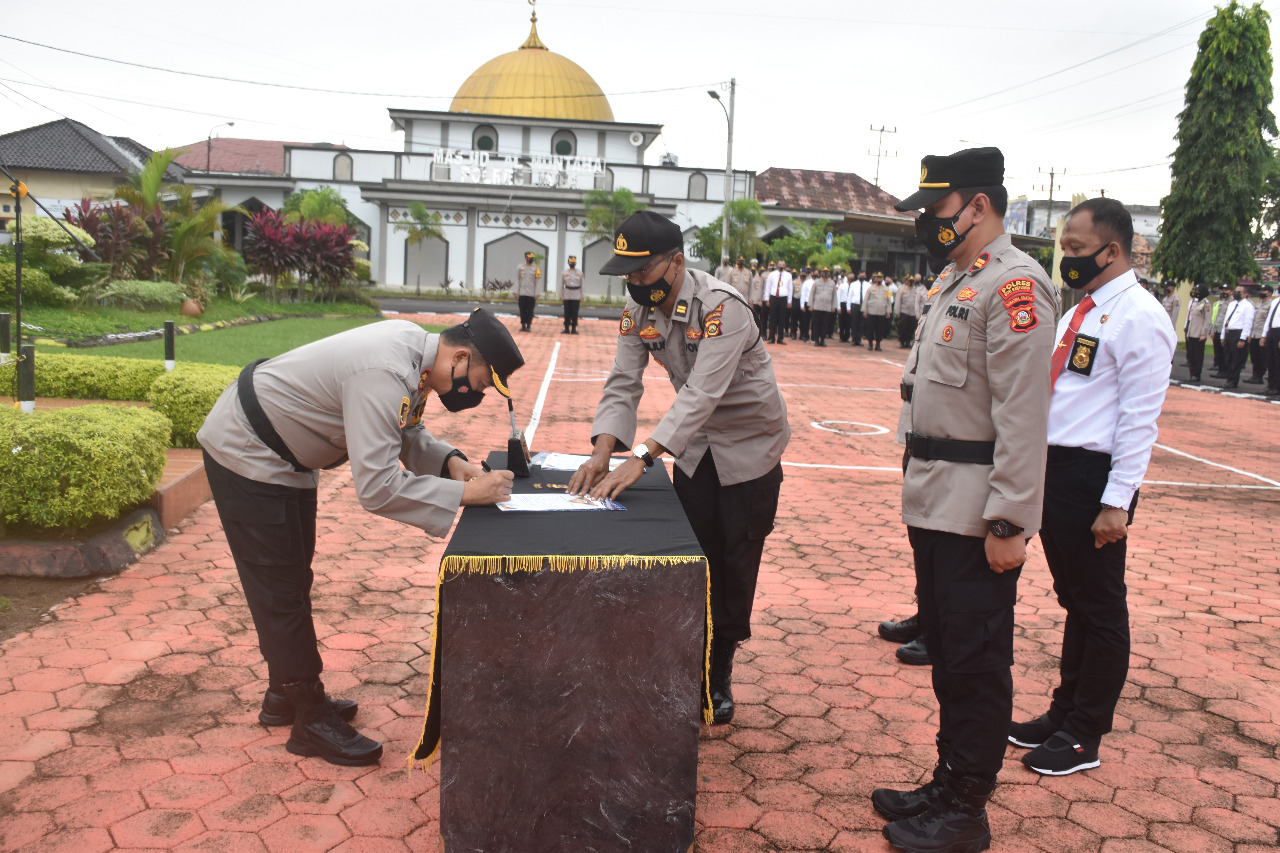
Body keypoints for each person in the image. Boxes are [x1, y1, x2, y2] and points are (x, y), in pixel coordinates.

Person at [197, 309, 523, 766]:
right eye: (483, 381)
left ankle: (283, 694)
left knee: (290, 579)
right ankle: (309, 719)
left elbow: (404, 430)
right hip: (248, 449)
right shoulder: (387, 370)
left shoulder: (418, 359)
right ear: (462, 357)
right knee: (279, 587)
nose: (480, 393)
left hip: (283, 456)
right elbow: (377, 486)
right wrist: (467, 493)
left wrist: (451, 462)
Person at [871, 147, 1058, 853]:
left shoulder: (1014, 285)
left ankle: (967, 809)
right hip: (936, 501)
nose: (927, 225)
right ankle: (948, 781)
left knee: (978, 662)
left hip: (978, 511)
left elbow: (1022, 412)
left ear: (977, 205)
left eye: (936, 210)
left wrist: (1011, 518)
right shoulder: (959, 280)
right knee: (949, 654)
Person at [568, 210, 790, 726]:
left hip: (749, 449)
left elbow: (702, 394)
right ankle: (685, 655)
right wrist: (603, 450)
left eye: (641, 272)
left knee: (735, 561)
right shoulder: (636, 307)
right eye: (626, 274)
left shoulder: (722, 309)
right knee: (693, 558)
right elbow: (624, 380)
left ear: (675, 262)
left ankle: (719, 670)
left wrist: (642, 457)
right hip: (693, 450)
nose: (633, 283)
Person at [1008, 197, 1174, 777]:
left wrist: (1117, 501)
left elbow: (1139, 418)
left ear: (1113, 249)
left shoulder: (1140, 317)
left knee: (1100, 608)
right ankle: (1063, 713)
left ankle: (1085, 734)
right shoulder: (1085, 309)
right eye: (1064, 249)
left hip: (1093, 479)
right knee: (1075, 600)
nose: (1068, 259)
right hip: (1057, 470)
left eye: (1077, 250)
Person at [1219, 284, 1255, 389]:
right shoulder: (1232, 304)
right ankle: (1228, 379)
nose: (1236, 293)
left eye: (1239, 292)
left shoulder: (1248, 306)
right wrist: (1223, 335)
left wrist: (1242, 338)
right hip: (1229, 333)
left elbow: (1247, 324)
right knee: (1228, 358)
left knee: (1236, 359)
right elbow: (1226, 320)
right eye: (1235, 291)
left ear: (1245, 294)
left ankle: (1233, 381)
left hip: (1238, 334)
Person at [1184, 283, 1212, 384]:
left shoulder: (1206, 304)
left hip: (1199, 333)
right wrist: (1188, 333)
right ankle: (1191, 374)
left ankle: (1196, 374)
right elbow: (1191, 320)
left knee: (1197, 356)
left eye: (1197, 291)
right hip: (1192, 333)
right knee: (1191, 355)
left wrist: (1203, 333)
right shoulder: (1195, 303)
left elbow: (1207, 320)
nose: (1195, 292)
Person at [1246, 284, 1273, 384]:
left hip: (1261, 335)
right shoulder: (1258, 304)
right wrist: (1249, 333)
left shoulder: (1271, 305)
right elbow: (1253, 320)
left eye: (1264, 291)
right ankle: (1254, 375)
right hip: (1253, 334)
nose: (1261, 292)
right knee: (1254, 356)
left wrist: (1265, 336)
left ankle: (1259, 376)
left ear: (1269, 293)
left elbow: (1269, 322)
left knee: (1262, 358)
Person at [766, 261, 792, 345]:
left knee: (782, 319)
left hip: (783, 298)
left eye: (783, 265)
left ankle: (780, 338)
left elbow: (790, 289)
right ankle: (771, 338)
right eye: (780, 265)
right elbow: (768, 287)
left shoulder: (788, 275)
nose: (781, 266)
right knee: (772, 319)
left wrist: (789, 301)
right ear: (777, 266)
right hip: (774, 298)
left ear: (785, 266)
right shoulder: (772, 274)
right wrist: (767, 299)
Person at [864, 272, 891, 351]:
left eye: (880, 277)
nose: (879, 279)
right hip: (872, 311)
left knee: (880, 329)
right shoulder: (870, 288)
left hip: (881, 312)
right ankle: (870, 344)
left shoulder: (886, 289)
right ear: (875, 278)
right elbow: (866, 300)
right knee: (870, 328)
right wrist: (865, 310)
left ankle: (878, 344)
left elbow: (889, 301)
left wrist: (888, 311)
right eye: (877, 277)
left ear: (883, 279)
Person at [558, 255, 584, 335]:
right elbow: (561, 285)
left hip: (576, 295)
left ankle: (573, 329)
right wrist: (561, 295)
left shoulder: (580, 273)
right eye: (571, 262)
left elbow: (583, 285)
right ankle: (566, 328)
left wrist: (582, 295)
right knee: (567, 312)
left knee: (575, 312)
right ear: (568, 262)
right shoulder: (564, 273)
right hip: (567, 294)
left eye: (574, 262)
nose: (572, 263)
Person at [515, 251, 541, 332]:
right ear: (526, 258)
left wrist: (537, 293)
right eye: (530, 258)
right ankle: (523, 325)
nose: (531, 259)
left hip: (531, 293)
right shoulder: (520, 267)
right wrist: (516, 292)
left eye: (532, 258)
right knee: (522, 309)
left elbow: (538, 281)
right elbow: (517, 280)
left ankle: (529, 325)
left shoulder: (536, 268)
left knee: (530, 310)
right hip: (522, 292)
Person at [811, 267, 836, 346]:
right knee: (816, 324)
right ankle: (816, 340)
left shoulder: (832, 283)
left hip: (827, 307)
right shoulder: (816, 282)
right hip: (817, 306)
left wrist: (834, 306)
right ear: (821, 273)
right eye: (824, 272)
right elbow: (812, 294)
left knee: (825, 324)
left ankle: (822, 340)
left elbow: (834, 296)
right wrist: (811, 305)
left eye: (827, 272)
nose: (825, 274)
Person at [1263, 287, 1280, 397]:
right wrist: (1264, 335)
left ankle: (1277, 387)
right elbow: (1269, 318)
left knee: (1278, 363)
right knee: (1271, 361)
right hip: (1271, 331)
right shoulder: (1275, 301)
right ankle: (1271, 385)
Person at [1210, 285, 1230, 374]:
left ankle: (1225, 371)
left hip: (1225, 331)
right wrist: (1213, 330)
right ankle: (1220, 370)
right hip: (1217, 329)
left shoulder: (1232, 303)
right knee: (1218, 352)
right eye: (1222, 290)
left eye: (1226, 290)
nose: (1223, 292)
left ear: (1231, 292)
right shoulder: (1221, 302)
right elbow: (1216, 317)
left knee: (1224, 352)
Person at [850, 271, 866, 345]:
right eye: (861, 276)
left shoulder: (868, 285)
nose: (862, 277)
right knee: (854, 322)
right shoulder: (853, 284)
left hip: (863, 305)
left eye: (863, 276)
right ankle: (854, 339)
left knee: (861, 323)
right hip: (855, 304)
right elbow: (850, 296)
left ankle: (859, 339)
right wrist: (848, 307)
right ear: (858, 276)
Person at [798, 268, 815, 342]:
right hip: (807, 302)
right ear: (811, 274)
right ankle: (805, 336)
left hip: (816, 304)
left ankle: (814, 337)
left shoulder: (819, 282)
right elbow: (803, 294)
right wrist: (802, 305)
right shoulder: (807, 282)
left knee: (815, 321)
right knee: (806, 321)